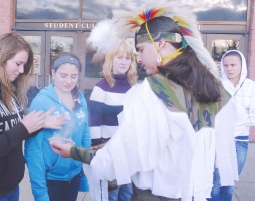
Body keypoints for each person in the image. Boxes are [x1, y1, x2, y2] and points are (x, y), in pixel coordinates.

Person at [50, 2, 239, 201]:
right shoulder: (215, 89)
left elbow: (121, 157)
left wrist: (74, 152)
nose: (138, 58)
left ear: (160, 44)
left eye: (140, 49)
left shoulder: (154, 90)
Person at [0, 33, 65, 201]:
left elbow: (11, 129)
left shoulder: (8, 89)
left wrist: (38, 124)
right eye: (18, 64)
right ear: (0, 58)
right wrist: (23, 128)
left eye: (24, 65)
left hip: (10, 187)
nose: (21, 71)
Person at [24, 52, 91, 201]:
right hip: (52, 178)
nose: (68, 81)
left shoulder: (80, 99)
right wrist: (40, 193)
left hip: (74, 175)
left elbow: (85, 134)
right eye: (63, 75)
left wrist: (84, 171)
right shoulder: (42, 101)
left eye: (73, 76)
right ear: (53, 73)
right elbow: (33, 150)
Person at [88, 39, 138, 201]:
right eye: (119, 57)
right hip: (109, 152)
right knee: (111, 195)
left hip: (128, 152)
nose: (124, 62)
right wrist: (99, 153)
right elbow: (94, 122)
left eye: (127, 58)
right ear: (111, 59)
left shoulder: (134, 87)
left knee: (127, 194)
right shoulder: (101, 87)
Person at [208, 50, 255, 201]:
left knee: (230, 182)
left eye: (233, 65)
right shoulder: (217, 85)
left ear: (242, 65)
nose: (229, 69)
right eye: (226, 65)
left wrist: (231, 115)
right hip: (221, 139)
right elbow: (212, 113)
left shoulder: (251, 87)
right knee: (217, 181)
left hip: (240, 141)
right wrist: (242, 112)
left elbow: (253, 118)